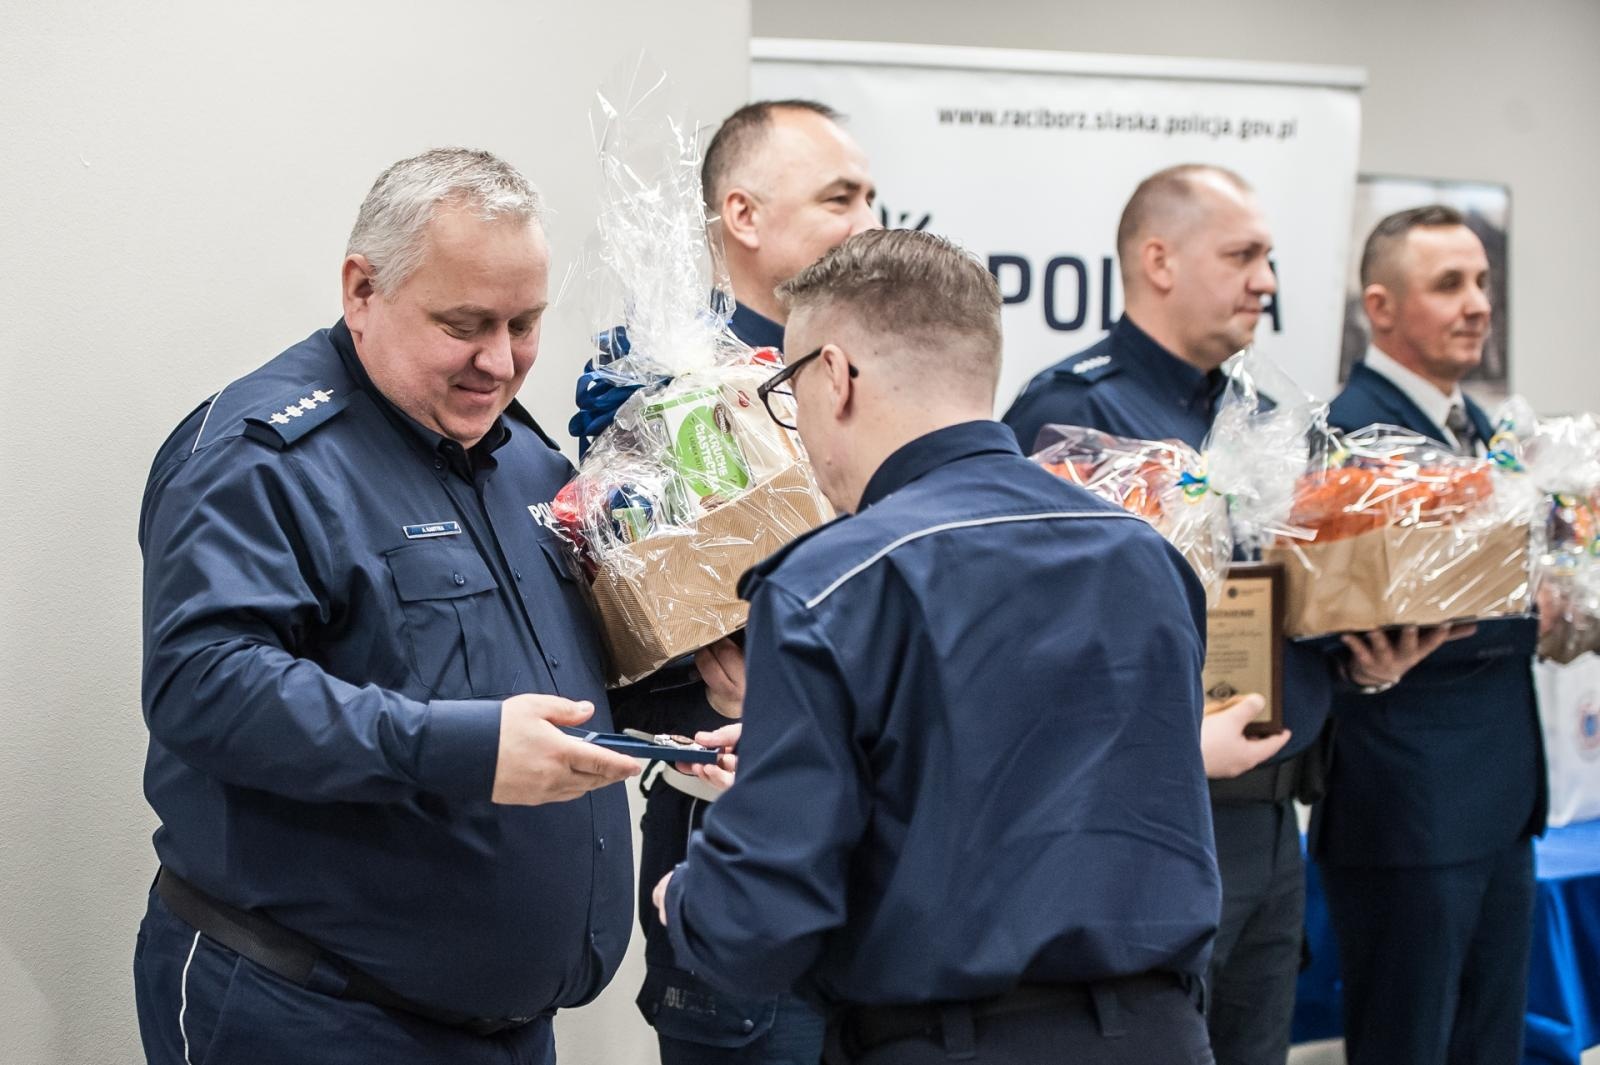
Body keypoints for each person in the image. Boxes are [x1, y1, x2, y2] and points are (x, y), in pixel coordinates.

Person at [656, 228, 1221, 1064]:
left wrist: (694, 896)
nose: (800, 428)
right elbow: (1060, 770)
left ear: (835, 375)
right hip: (1160, 1036)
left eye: (789, 391)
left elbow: (762, 927)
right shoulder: (1149, 557)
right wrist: (819, 747)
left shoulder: (831, 585)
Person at [133, 148, 643, 1065]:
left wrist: (688, 705)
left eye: (525, 323)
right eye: (465, 324)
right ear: (362, 289)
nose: (501, 361)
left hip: (506, 1029)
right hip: (311, 1015)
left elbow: (561, 669)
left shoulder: (522, 456)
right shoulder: (265, 456)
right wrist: (466, 750)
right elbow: (202, 686)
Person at [1002, 164, 1459, 1065]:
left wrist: (1355, 659)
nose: (1268, 281)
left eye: (1271, 258)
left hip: (1273, 818)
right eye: (1244, 255)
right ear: (1159, 260)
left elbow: (1279, 596)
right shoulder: (1074, 410)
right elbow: (1030, 648)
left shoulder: (1269, 417)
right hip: (1146, 816)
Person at [576, 99, 878, 1065]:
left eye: (874, 198)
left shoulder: (874, 378)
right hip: (737, 862)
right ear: (742, 216)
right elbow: (618, 634)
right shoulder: (660, 389)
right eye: (840, 198)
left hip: (886, 877)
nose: (869, 222)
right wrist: (720, 691)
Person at [1314, 205, 1546, 1065]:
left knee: (1490, 1051)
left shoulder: (1483, 430)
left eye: (1482, 282)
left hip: (1499, 804)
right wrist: (1545, 605)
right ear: (1380, 308)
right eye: (1449, 284)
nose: (1477, 303)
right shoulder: (1344, 438)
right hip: (1408, 814)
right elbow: (1360, 612)